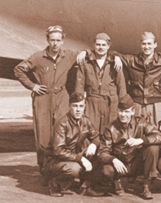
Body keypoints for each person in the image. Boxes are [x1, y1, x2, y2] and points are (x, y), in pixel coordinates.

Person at [14, 25, 80, 177]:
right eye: (52, 40)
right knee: (43, 136)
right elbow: (19, 69)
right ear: (47, 40)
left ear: (63, 40)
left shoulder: (69, 55)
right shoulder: (38, 57)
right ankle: (45, 170)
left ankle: (62, 167)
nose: (55, 43)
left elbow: (89, 54)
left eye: (58, 40)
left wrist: (115, 56)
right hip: (43, 97)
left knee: (62, 133)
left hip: (62, 96)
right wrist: (33, 86)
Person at [97, 94, 161, 199]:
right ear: (117, 111)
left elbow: (159, 136)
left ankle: (146, 186)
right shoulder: (110, 128)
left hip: (137, 163)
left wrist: (141, 140)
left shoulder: (141, 123)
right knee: (106, 170)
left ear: (133, 111)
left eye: (126, 111)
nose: (123, 115)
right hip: (120, 164)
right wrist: (113, 159)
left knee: (153, 148)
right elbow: (102, 152)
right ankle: (116, 182)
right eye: (120, 111)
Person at [44, 92, 104, 197]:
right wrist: (80, 158)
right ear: (69, 106)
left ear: (84, 107)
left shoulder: (86, 121)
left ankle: (86, 186)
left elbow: (96, 137)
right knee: (74, 168)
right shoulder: (61, 123)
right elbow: (58, 151)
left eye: (81, 106)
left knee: (100, 154)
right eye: (75, 106)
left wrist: (94, 144)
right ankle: (55, 183)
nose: (78, 110)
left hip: (73, 157)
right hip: (55, 161)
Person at [75, 33, 127, 134]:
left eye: (103, 45)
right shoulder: (86, 62)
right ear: (94, 45)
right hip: (92, 101)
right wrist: (79, 104)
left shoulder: (115, 63)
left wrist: (123, 106)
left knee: (109, 131)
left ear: (109, 46)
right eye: (98, 45)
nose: (101, 47)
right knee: (89, 130)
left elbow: (121, 86)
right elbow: (79, 85)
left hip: (110, 102)